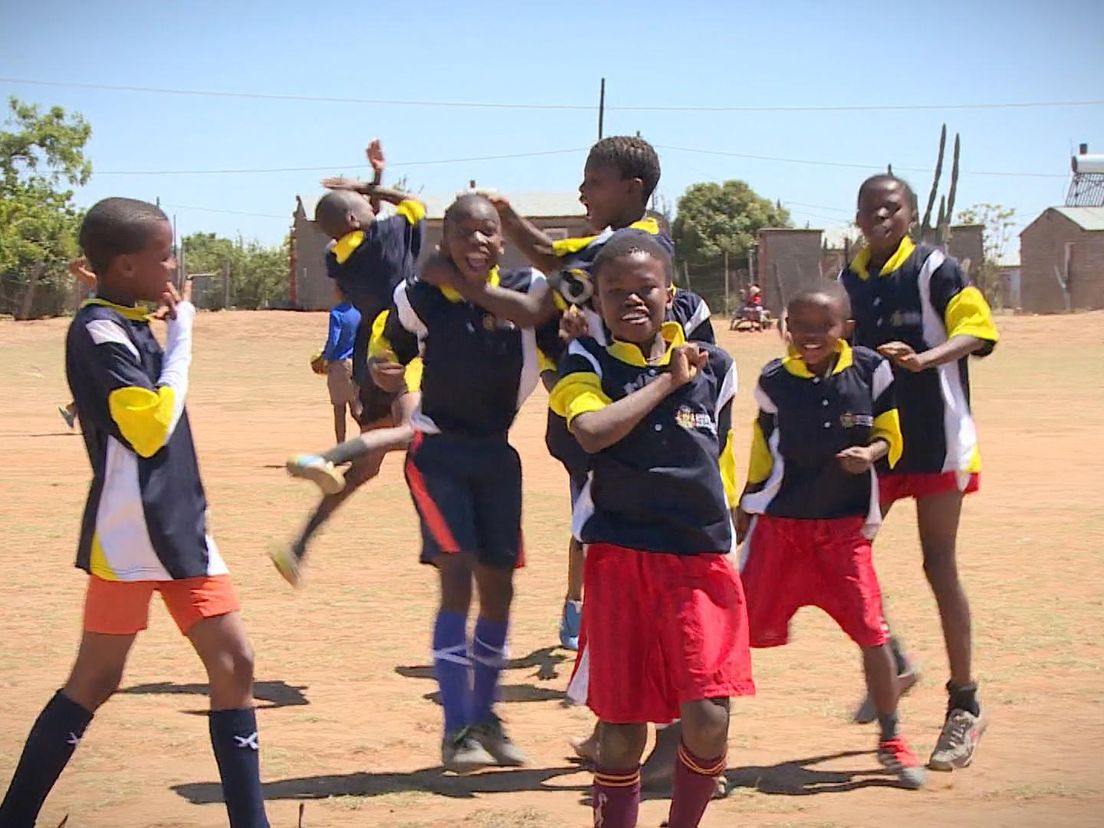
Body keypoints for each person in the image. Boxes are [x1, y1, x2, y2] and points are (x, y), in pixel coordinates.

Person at [0, 198, 269, 828]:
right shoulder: (98, 331)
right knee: (98, 677)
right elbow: (148, 428)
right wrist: (184, 340)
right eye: (164, 254)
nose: (173, 265)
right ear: (124, 266)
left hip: (173, 523)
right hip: (136, 531)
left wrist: (162, 321)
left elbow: (128, 323)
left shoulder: (122, 316)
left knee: (233, 665)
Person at [550, 230, 753, 828]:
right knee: (619, 728)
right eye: (616, 292)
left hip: (699, 559)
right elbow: (590, 431)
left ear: (671, 293)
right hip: (621, 557)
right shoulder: (587, 360)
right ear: (598, 303)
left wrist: (733, 526)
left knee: (711, 717)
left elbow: (719, 455)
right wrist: (669, 379)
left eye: (646, 290)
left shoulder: (718, 369)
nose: (632, 301)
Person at [370, 193, 560, 773]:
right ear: (444, 239)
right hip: (438, 452)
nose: (476, 242)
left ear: (502, 241)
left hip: (498, 456)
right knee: (457, 575)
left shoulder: (528, 292)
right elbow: (388, 344)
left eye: (487, 233)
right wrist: (384, 366)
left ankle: (486, 715)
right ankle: (457, 729)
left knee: (499, 586)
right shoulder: (418, 295)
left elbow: (559, 353)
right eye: (463, 232)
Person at [736, 283, 926, 789]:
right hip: (781, 529)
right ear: (786, 329)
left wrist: (872, 453)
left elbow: (891, 433)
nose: (811, 336)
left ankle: (891, 739)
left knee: (873, 633)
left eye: (824, 327)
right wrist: (745, 507)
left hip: (843, 533)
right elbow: (762, 448)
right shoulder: (775, 380)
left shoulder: (870, 370)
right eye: (800, 327)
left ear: (846, 329)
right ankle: (707, 748)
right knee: (733, 634)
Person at [839, 173, 999, 771]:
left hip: (935, 440)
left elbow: (978, 329)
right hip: (876, 443)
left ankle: (964, 705)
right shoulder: (848, 277)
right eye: (869, 208)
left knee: (938, 563)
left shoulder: (935, 269)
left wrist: (924, 359)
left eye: (892, 207)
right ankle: (897, 658)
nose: (880, 216)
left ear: (909, 213)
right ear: (856, 216)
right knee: (848, 554)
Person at [272, 139, 426, 584]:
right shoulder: (389, 234)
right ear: (359, 215)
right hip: (401, 345)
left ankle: (298, 544)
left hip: (365, 356)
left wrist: (372, 182)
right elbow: (413, 205)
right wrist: (366, 182)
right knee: (414, 432)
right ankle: (326, 455)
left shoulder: (336, 255)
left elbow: (363, 219)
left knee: (366, 468)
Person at [58, 258, 99, 430]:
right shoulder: (97, 281)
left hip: (102, 331)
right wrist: (91, 255)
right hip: (94, 331)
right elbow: (73, 267)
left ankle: (73, 409)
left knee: (95, 377)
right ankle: (74, 408)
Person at [320, 284, 362, 443]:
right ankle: (369, 441)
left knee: (339, 410)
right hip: (356, 364)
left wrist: (325, 357)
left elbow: (334, 340)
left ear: (340, 292)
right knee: (356, 408)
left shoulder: (337, 313)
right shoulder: (358, 313)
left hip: (339, 365)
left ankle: (341, 448)